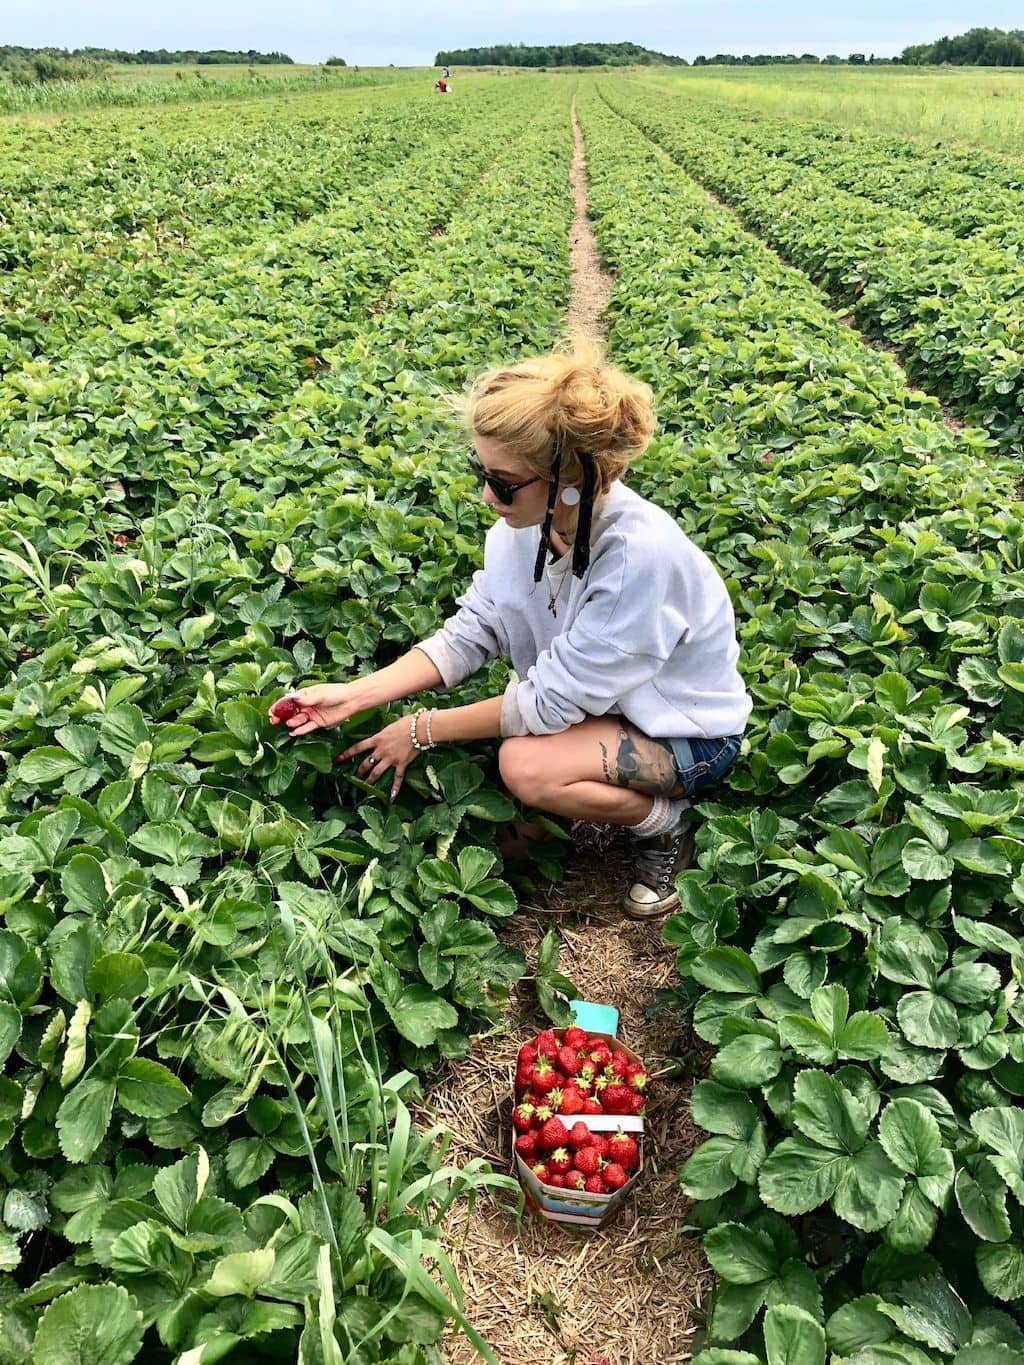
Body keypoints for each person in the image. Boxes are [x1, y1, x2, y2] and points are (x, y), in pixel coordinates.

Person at [269, 339, 751, 918]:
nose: (486, 495)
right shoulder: (523, 527)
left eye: (502, 481)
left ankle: (664, 824)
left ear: (571, 480)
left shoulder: (638, 557)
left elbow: (548, 705)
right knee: (529, 763)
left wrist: (421, 729)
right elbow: (473, 630)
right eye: (482, 472)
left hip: (688, 737)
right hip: (608, 710)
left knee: (524, 765)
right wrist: (356, 694)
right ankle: (574, 807)